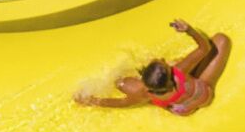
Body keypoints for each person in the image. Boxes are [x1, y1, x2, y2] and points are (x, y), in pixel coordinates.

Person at [79, 19, 231, 116]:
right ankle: (192, 77)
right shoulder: (179, 70)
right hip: (204, 95)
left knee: (121, 82)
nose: (162, 58)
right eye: (163, 62)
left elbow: (120, 104)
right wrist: (189, 30)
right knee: (221, 40)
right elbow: (204, 48)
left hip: (185, 110)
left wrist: (91, 100)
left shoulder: (144, 94)